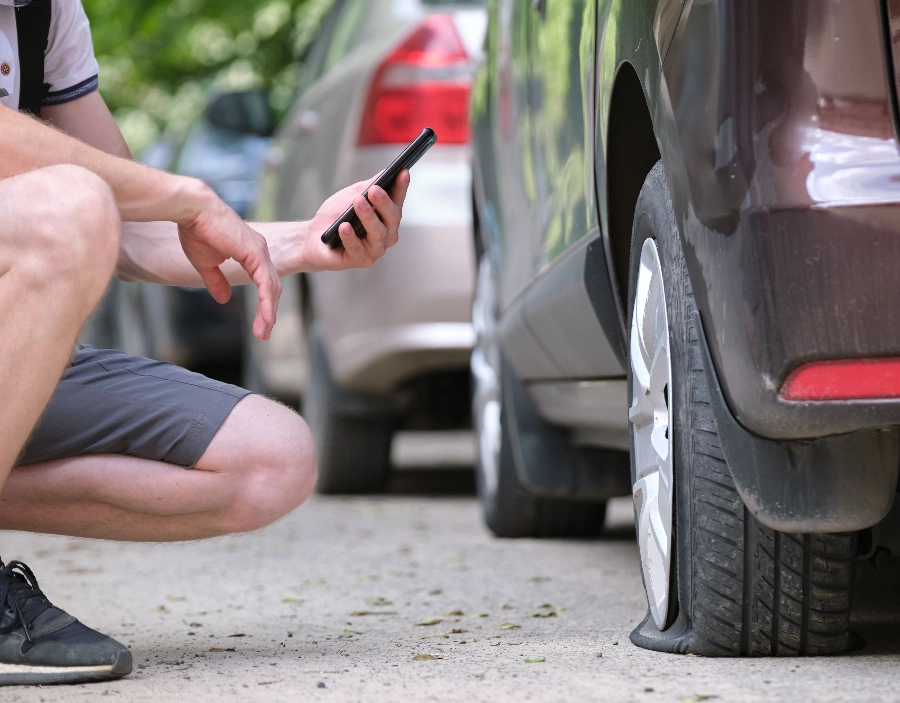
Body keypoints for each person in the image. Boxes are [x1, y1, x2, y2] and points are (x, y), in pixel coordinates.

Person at [0, 0, 410, 686]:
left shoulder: (49, 15)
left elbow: (127, 222)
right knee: (73, 205)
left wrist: (297, 241)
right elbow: (91, 202)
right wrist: (182, 193)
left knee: (273, 458)